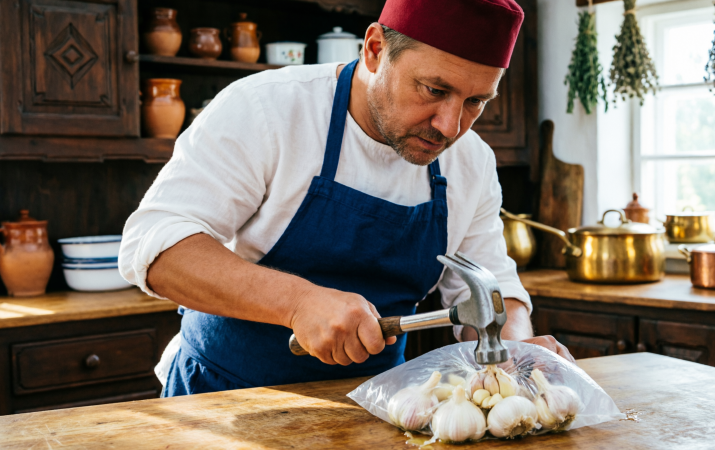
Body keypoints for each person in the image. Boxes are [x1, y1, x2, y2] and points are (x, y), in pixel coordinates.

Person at [119, 0, 573, 397]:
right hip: (224, 398)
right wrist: (297, 302)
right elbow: (156, 247)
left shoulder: (470, 162)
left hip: (380, 407)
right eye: (434, 90)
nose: (450, 126)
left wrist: (513, 348)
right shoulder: (267, 110)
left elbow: (492, 290)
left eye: (477, 101)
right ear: (375, 49)